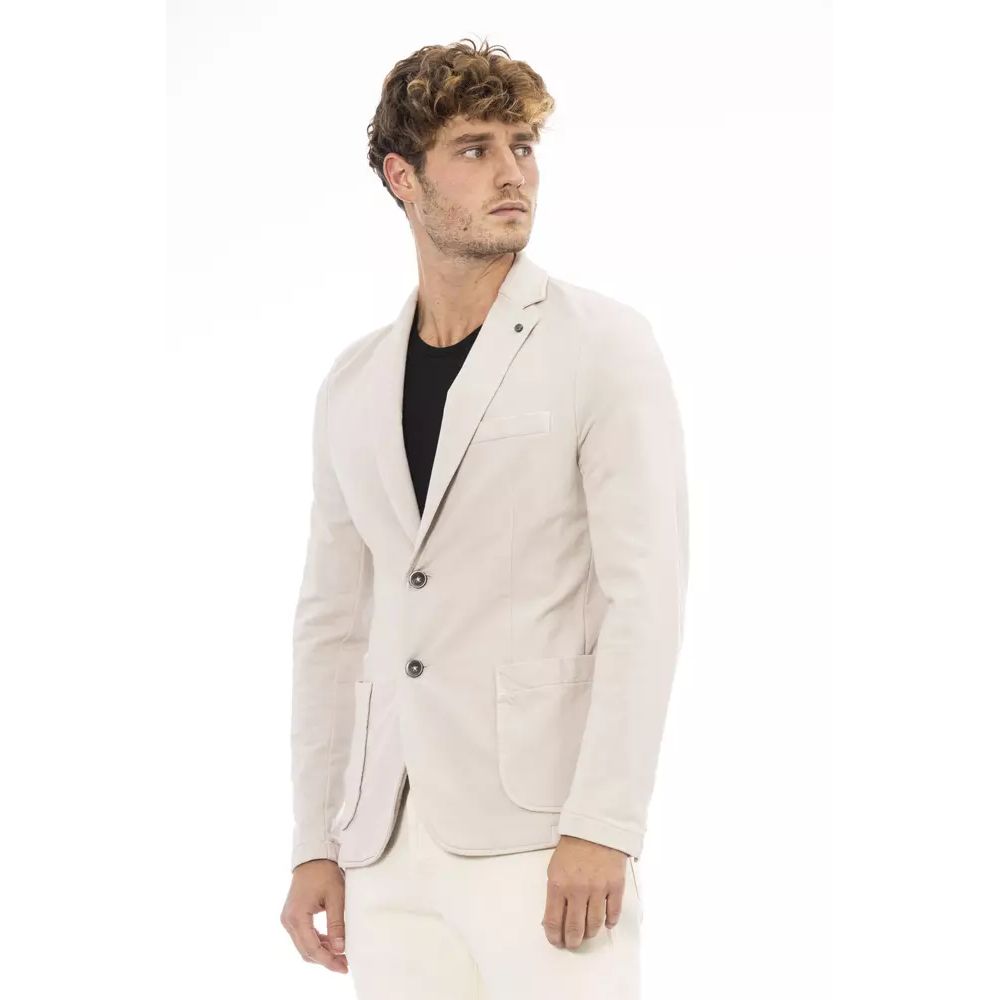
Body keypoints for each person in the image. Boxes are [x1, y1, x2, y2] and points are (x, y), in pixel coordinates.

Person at [279, 37, 688, 999]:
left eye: (523, 146)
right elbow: (332, 623)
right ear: (403, 178)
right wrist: (315, 840)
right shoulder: (353, 383)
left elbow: (646, 597)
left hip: (544, 837)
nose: (513, 173)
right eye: (475, 148)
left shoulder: (604, 346)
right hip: (386, 844)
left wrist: (605, 822)